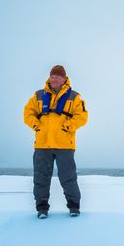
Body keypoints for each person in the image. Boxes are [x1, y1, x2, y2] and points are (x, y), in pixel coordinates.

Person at [23, 65, 89, 219]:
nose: (54, 78)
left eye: (58, 76)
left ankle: (74, 207)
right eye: (52, 76)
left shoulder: (75, 97)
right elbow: (28, 113)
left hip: (64, 144)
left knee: (68, 177)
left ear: (64, 79)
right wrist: (36, 126)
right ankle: (42, 208)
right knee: (40, 177)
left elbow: (82, 116)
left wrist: (67, 126)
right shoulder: (38, 95)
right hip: (42, 144)